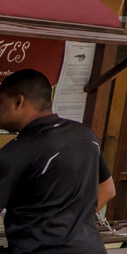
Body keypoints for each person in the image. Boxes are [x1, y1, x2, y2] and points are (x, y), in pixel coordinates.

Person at [0, 68, 115, 254]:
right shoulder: (85, 135)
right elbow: (108, 189)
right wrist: (72, 222)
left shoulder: (18, 151)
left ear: (18, 102)